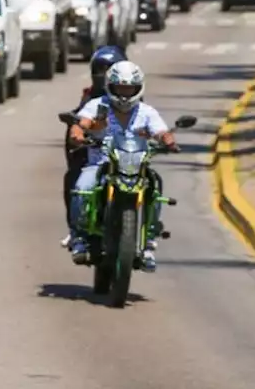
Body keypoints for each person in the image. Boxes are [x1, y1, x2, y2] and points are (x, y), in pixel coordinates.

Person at [65, 60, 180, 272]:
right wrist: (78, 135)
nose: (125, 93)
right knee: (82, 188)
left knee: (155, 185)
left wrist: (168, 140)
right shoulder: (97, 106)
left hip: (136, 168)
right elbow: (81, 124)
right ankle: (79, 236)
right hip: (100, 165)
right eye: (120, 88)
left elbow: (161, 131)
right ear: (111, 86)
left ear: (138, 88)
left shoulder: (147, 111)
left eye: (129, 88)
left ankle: (149, 242)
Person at [61, 45, 126, 248]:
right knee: (74, 179)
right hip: (93, 154)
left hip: (125, 158)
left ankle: (147, 236)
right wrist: (77, 135)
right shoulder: (90, 97)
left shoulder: (132, 95)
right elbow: (78, 123)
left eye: (109, 69)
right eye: (99, 70)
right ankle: (76, 230)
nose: (104, 75)